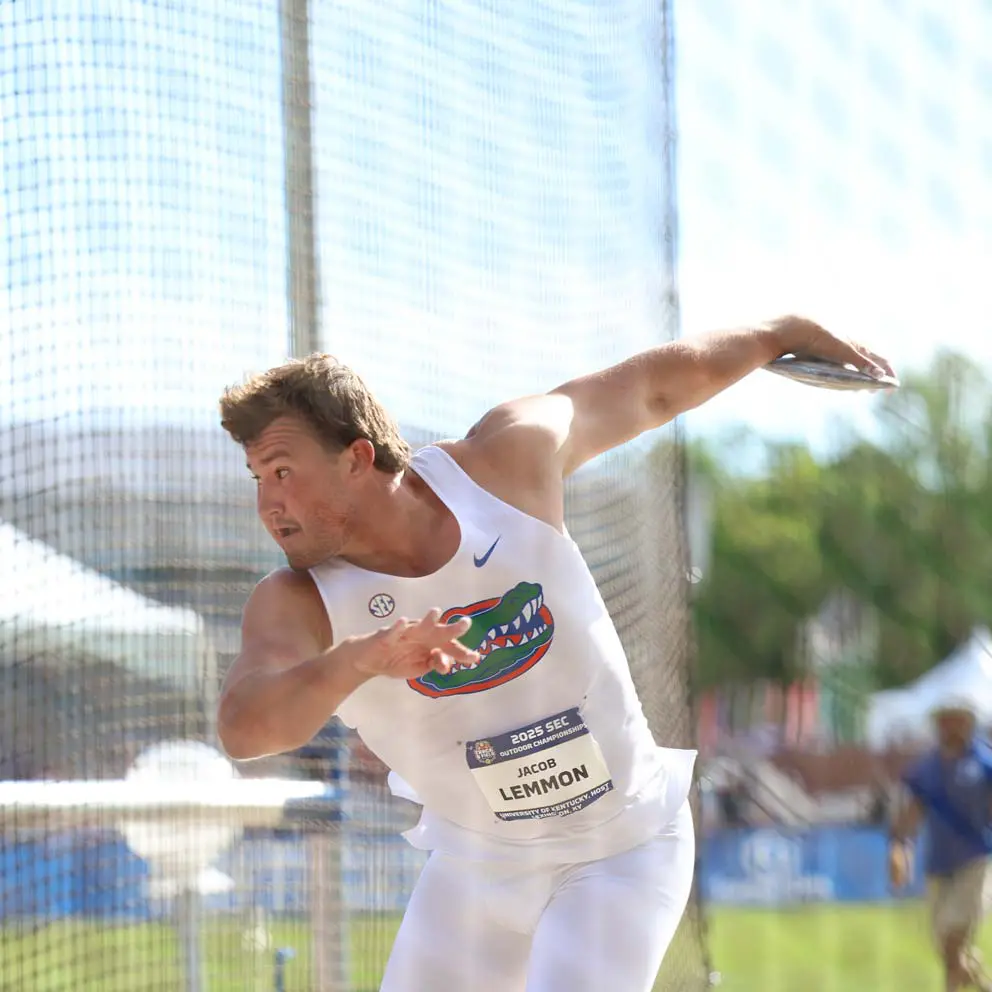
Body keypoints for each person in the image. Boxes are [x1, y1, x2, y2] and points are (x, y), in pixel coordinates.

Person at [216, 316, 893, 992]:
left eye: (282, 471)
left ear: (357, 458)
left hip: (619, 850)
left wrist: (777, 333)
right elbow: (246, 730)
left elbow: (653, 390)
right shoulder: (296, 602)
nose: (268, 503)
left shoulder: (504, 464)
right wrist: (358, 660)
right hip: (475, 867)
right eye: (256, 478)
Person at [890, 699, 992, 992]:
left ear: (968, 723)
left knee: (952, 936)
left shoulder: (985, 764)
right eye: (944, 720)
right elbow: (912, 811)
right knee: (945, 948)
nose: (949, 726)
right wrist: (899, 846)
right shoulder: (926, 769)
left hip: (976, 862)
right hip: (937, 866)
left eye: (955, 719)